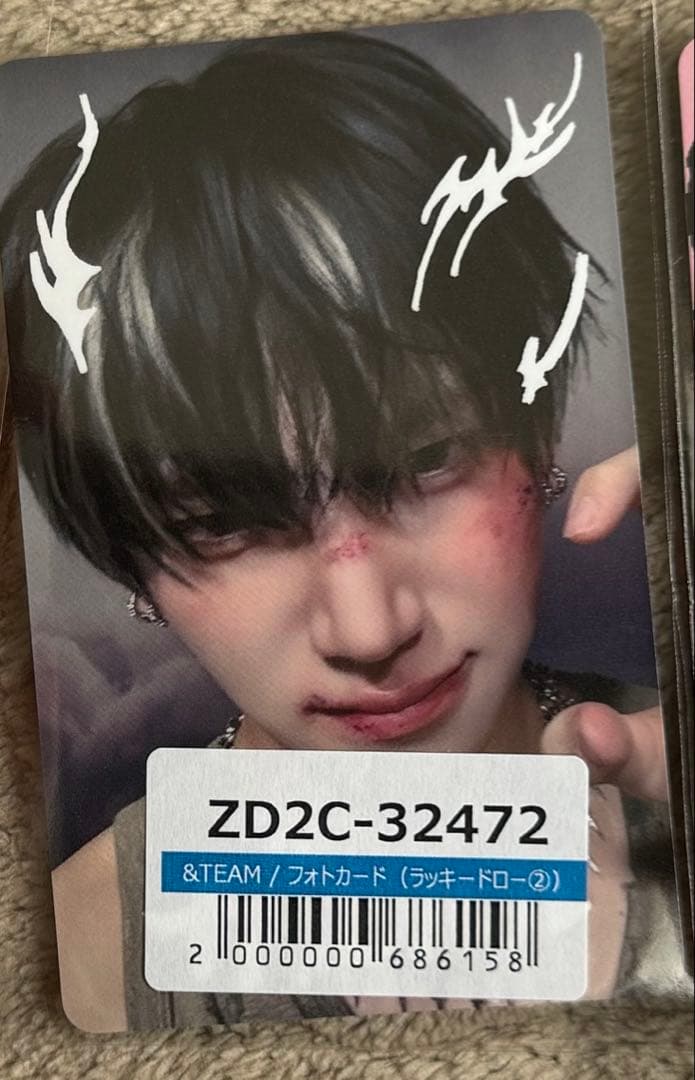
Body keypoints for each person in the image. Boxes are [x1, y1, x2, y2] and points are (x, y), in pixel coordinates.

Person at [0, 32, 686, 1031]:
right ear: (130, 560)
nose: (369, 629)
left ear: (534, 434)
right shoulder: (77, 953)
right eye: (222, 522)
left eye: (426, 458)